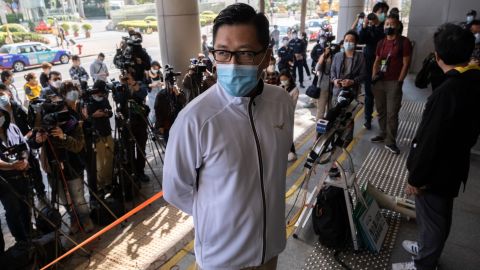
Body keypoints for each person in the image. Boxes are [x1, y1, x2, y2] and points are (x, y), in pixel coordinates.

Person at [163, 4, 294, 269]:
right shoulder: (196, 120)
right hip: (223, 259)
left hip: (271, 249)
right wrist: (221, 215)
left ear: (267, 56)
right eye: (222, 52)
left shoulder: (280, 102)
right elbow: (176, 190)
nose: (232, 64)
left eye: (245, 53)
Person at [401, 23, 480, 270]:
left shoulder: (447, 91)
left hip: (436, 171)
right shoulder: (472, 79)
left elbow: (430, 139)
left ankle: (423, 263)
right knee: (440, 216)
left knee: (433, 219)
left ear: (438, 56)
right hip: (453, 164)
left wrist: (416, 177)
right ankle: (427, 249)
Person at [33, 97, 94, 235]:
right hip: (54, 168)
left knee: (78, 198)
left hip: (73, 166)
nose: (63, 116)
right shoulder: (46, 125)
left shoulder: (74, 123)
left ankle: (85, 219)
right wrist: (38, 140)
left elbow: (78, 146)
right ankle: (74, 219)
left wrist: (64, 136)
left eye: (64, 112)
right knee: (64, 199)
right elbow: (32, 143)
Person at [370, 15, 412, 155]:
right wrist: (374, 76)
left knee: (392, 113)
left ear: (398, 26)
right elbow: (377, 61)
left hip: (394, 82)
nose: (389, 27)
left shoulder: (404, 42)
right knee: (381, 110)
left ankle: (390, 141)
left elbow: (406, 63)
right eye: (387, 24)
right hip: (379, 82)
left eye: (392, 24)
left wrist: (400, 81)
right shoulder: (381, 43)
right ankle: (383, 134)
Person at [0, 108, 32, 253]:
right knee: (13, 211)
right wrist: (11, 165)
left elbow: (24, 146)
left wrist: (24, 159)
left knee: (26, 207)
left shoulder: (12, 128)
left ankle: (29, 235)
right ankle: (21, 241)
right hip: (5, 182)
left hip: (22, 176)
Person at [359, 11, 386, 129]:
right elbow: (361, 39)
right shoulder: (369, 28)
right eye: (377, 13)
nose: (376, 17)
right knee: (369, 94)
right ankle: (367, 119)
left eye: (381, 13)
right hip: (369, 65)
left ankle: (383, 123)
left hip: (382, 65)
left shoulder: (385, 27)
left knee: (381, 95)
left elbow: (380, 37)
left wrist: (377, 24)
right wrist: (365, 25)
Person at [87, 80, 114, 195]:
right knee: (100, 163)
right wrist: (93, 115)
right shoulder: (88, 101)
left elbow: (110, 112)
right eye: (101, 93)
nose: (103, 95)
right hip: (97, 135)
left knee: (109, 159)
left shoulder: (104, 98)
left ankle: (109, 182)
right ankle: (100, 185)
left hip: (107, 132)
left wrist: (106, 113)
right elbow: (86, 119)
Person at [331, 30, 366, 102]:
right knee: (334, 111)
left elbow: (363, 75)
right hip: (337, 91)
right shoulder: (337, 56)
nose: (348, 43)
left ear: (355, 43)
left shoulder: (361, 57)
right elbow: (332, 71)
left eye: (351, 41)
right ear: (343, 42)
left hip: (352, 92)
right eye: (346, 40)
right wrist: (335, 80)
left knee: (349, 112)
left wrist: (352, 81)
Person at [279, 71, 299, 162]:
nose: (283, 81)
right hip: (279, 114)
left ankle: (292, 152)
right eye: (281, 80)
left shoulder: (295, 90)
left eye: (284, 80)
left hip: (288, 115)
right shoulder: (279, 87)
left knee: (289, 133)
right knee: (281, 132)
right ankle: (284, 151)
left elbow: (293, 105)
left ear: (289, 79)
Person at [314, 45, 334, 120]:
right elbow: (317, 68)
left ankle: (328, 127)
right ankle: (318, 130)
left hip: (333, 88)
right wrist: (324, 55)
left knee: (330, 110)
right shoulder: (323, 58)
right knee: (321, 111)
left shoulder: (336, 58)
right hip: (323, 88)